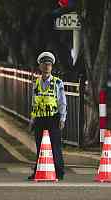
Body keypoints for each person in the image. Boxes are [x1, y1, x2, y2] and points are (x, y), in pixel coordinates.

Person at [28, 52, 67, 181]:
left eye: (49, 65)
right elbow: (34, 102)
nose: (46, 67)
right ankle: (38, 171)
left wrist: (62, 119)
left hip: (53, 118)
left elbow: (62, 102)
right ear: (40, 66)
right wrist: (32, 119)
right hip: (39, 119)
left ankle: (59, 171)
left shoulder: (58, 83)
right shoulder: (36, 83)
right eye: (44, 64)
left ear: (51, 67)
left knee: (55, 146)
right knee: (40, 146)